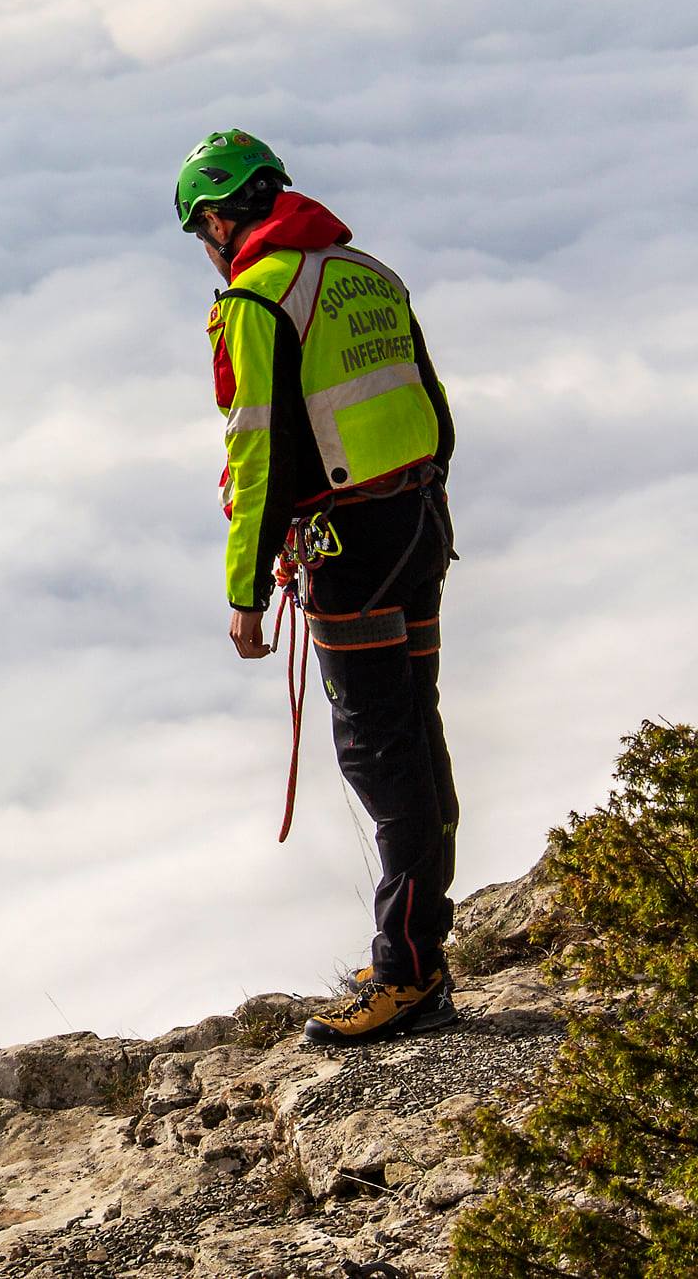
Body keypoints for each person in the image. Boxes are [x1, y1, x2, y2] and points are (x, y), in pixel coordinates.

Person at [174, 130, 460, 1045]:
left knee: (382, 754)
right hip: (419, 518)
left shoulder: (259, 300)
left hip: (350, 543)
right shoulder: (366, 270)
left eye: (201, 227)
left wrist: (246, 590)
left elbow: (258, 452)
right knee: (418, 730)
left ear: (221, 217)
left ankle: (407, 976)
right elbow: (434, 407)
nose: (206, 245)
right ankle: (420, 953)